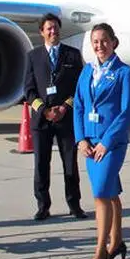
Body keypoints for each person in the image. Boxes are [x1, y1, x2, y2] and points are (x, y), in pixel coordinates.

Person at [74, 23, 130, 259]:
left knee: (100, 193)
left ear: (114, 43)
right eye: (95, 42)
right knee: (109, 192)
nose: (99, 46)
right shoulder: (87, 71)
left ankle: (100, 250)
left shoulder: (124, 73)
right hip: (90, 143)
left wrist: (106, 142)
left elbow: (126, 112)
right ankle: (117, 241)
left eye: (104, 41)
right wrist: (81, 138)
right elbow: (79, 105)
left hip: (111, 143)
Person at [23, 13, 87, 221]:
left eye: (56, 28)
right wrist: (44, 110)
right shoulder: (33, 57)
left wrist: (65, 107)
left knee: (70, 164)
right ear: (42, 32)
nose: (53, 32)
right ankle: (43, 206)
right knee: (41, 164)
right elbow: (28, 90)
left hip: (65, 118)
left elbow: (79, 87)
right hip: (42, 119)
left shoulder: (72, 55)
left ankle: (74, 204)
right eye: (49, 29)